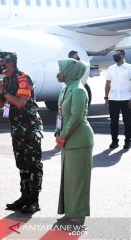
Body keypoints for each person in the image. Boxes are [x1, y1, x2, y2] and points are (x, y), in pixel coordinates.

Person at [0, 52, 43, 214]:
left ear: (11, 63)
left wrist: (3, 90)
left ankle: (34, 200)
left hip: (29, 127)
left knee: (33, 163)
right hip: (16, 127)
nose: (1, 66)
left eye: (3, 63)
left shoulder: (23, 78)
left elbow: (20, 103)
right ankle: (24, 196)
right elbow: (1, 105)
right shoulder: (5, 80)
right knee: (21, 163)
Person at [55, 59, 94, 222]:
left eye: (62, 70)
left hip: (79, 139)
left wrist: (63, 136)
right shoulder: (66, 90)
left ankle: (78, 212)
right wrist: (58, 132)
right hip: (68, 138)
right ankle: (70, 209)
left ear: (70, 72)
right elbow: (61, 114)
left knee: (78, 178)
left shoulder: (78, 90)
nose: (59, 73)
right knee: (69, 177)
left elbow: (76, 117)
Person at [104, 49, 131, 149]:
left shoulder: (129, 68)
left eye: (117, 54)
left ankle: (128, 141)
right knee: (113, 122)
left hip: (126, 99)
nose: (115, 56)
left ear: (123, 55)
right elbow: (107, 84)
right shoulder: (111, 68)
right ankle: (114, 141)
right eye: (114, 54)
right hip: (113, 99)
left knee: (127, 122)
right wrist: (106, 98)